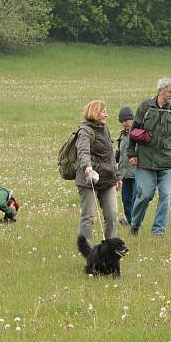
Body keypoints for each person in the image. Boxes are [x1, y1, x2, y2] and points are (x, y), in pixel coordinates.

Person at [127, 78, 171, 236]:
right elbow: (133, 131)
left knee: (165, 195)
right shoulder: (145, 107)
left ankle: (158, 231)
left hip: (167, 162)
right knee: (145, 194)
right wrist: (131, 153)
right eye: (170, 92)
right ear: (160, 91)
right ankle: (135, 224)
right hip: (145, 160)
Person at [75, 100, 122, 243]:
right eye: (103, 111)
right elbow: (82, 152)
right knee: (88, 217)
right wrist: (87, 168)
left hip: (108, 179)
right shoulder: (85, 131)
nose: (106, 115)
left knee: (113, 215)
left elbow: (110, 156)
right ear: (94, 112)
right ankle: (87, 251)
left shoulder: (105, 129)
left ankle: (109, 248)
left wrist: (117, 176)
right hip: (89, 180)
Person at [116, 106, 137, 226]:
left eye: (126, 120)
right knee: (125, 200)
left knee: (135, 199)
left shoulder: (138, 134)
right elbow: (120, 153)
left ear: (132, 119)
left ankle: (135, 223)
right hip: (124, 173)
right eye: (122, 121)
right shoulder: (122, 136)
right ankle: (129, 221)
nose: (124, 123)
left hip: (136, 173)